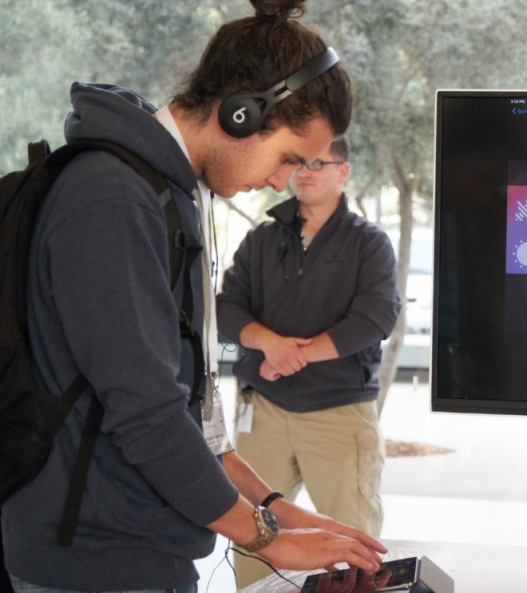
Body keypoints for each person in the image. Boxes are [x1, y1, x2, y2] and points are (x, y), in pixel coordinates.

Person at [1, 2, 388, 592]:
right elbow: (148, 413)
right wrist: (268, 540)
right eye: (288, 157)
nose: (281, 182)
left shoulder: (171, 191)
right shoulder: (112, 198)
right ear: (240, 113)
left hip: (140, 553)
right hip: (92, 566)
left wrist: (280, 510)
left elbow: (192, 414)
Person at [216, 137, 401, 583]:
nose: (305, 172)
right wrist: (270, 345)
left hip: (338, 412)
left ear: (343, 172)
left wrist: (293, 356)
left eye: (318, 163)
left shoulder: (368, 242)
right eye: (298, 162)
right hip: (264, 409)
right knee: (255, 537)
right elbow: (226, 309)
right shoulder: (262, 238)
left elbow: (374, 318)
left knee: (351, 544)